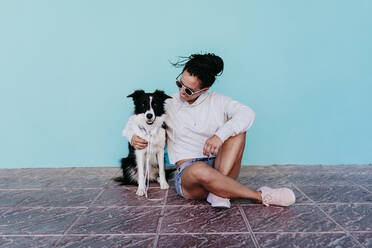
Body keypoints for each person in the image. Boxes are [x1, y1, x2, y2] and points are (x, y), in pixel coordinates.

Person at [123, 53, 295, 208]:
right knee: (198, 168)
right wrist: (131, 136)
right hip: (190, 175)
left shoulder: (217, 101)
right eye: (179, 84)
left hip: (221, 166)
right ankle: (259, 196)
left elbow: (247, 114)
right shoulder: (168, 103)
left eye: (188, 90)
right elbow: (135, 121)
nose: (182, 91)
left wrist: (219, 136)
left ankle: (218, 191)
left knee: (239, 133)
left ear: (204, 90)